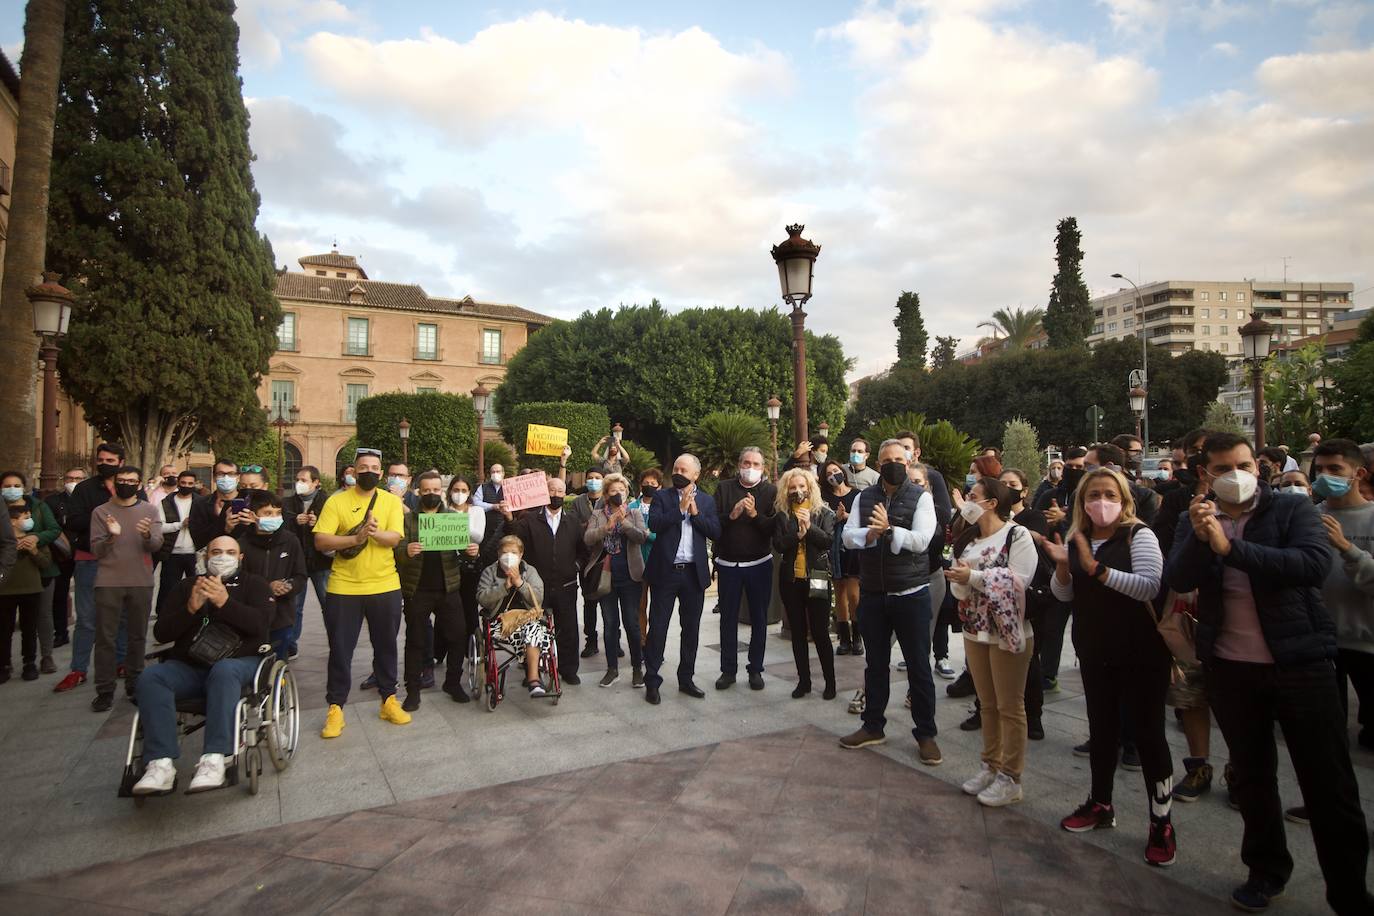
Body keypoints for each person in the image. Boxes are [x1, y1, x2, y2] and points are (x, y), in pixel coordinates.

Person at [1166, 432, 1371, 914]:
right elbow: (1177, 578)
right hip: (1233, 669)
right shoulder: (1192, 518)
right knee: (1253, 779)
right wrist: (1201, 541)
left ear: (1259, 468)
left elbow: (1310, 565)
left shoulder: (1291, 510)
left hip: (1301, 663)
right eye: (1221, 469)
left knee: (1329, 784)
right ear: (1204, 475)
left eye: (1243, 464)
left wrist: (1230, 549)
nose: (1234, 475)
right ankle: (1265, 872)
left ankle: (1348, 890)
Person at [1045, 467, 1175, 868]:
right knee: (1101, 731)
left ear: (1124, 499)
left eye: (1110, 494)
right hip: (1095, 650)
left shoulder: (1139, 535)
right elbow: (1065, 594)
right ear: (1082, 501)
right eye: (1093, 494)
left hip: (1141, 653)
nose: (1102, 502)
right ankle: (1101, 803)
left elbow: (1150, 585)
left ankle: (1161, 822)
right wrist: (1065, 568)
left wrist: (1095, 567)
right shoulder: (1078, 537)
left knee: (1149, 734)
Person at [130, 535, 274, 795]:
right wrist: (190, 608)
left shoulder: (255, 585)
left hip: (239, 664)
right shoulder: (187, 586)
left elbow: (260, 626)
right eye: (216, 551)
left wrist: (225, 603)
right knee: (151, 678)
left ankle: (215, 757)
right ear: (206, 556)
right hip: (191, 667)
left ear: (240, 557)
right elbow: (162, 633)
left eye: (230, 552)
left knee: (224, 670)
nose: (223, 557)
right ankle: (160, 763)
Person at [837, 439, 941, 766]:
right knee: (875, 665)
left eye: (899, 458)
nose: (893, 463)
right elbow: (848, 536)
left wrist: (890, 531)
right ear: (877, 463)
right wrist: (869, 535)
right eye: (887, 459)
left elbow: (923, 541)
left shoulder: (921, 497)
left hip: (910, 593)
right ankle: (872, 726)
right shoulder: (864, 497)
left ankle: (926, 733)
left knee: (919, 667)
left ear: (908, 462)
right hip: (873, 594)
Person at [948, 476, 1038, 806]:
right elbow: (960, 589)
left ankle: (1011, 776)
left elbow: (1018, 581)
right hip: (975, 629)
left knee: (1009, 705)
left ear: (992, 502)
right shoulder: (968, 540)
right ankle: (990, 765)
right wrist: (960, 579)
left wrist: (972, 576)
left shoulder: (1017, 535)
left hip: (1008, 631)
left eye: (973, 495)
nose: (967, 500)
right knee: (986, 703)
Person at [313, 447, 410, 737]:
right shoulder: (336, 501)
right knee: (341, 649)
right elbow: (321, 540)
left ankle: (388, 699)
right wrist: (355, 538)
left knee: (387, 645)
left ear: (381, 473)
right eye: (363, 467)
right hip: (344, 587)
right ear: (353, 472)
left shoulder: (391, 502)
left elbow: (394, 538)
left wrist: (373, 533)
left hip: (385, 585)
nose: (369, 471)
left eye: (374, 467)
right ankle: (335, 708)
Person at [643, 454, 721, 705]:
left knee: (691, 630)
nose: (678, 472)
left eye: (683, 469)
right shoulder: (662, 496)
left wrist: (695, 513)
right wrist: (679, 510)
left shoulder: (707, 501)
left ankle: (686, 679)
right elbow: (654, 524)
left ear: (695, 475)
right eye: (675, 468)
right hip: (665, 572)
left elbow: (715, 531)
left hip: (692, 574)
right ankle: (652, 681)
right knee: (658, 628)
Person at [89, 466, 164, 711]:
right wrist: (111, 536)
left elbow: (155, 545)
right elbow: (96, 550)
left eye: (131, 480)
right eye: (121, 480)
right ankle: (105, 689)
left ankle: (135, 682)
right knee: (105, 638)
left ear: (139, 483)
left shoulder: (150, 510)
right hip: (108, 581)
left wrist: (145, 535)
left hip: (140, 580)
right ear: (114, 483)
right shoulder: (101, 512)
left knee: (137, 635)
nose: (126, 484)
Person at [54, 444, 126, 693]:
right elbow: (73, 521)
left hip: (122, 560)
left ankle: (120, 661)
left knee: (122, 615)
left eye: (110, 459)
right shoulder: (85, 489)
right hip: (90, 558)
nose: (104, 462)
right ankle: (78, 669)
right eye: (101, 459)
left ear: (120, 461)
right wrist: (104, 517)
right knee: (87, 619)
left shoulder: (129, 485)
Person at [394, 471, 469, 710]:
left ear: (442, 492)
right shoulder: (408, 520)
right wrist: (406, 551)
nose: (431, 494)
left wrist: (470, 551)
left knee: (458, 636)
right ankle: (413, 690)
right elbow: (395, 550)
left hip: (449, 588)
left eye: (436, 490)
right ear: (418, 492)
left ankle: (453, 682)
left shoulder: (452, 518)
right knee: (415, 641)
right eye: (426, 490)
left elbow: (463, 548)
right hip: (418, 590)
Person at [508, 474, 586, 685]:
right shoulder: (530, 520)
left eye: (560, 491)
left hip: (565, 585)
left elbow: (582, 551)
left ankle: (569, 670)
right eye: (551, 490)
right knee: (533, 628)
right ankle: (531, 671)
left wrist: (575, 566)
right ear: (544, 492)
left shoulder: (572, 521)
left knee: (568, 628)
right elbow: (515, 541)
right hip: (536, 587)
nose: (556, 495)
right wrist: (509, 519)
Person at [713, 447, 777, 691]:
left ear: (763, 468)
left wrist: (753, 515)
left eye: (756, 464)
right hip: (729, 564)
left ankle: (755, 670)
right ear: (739, 464)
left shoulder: (770, 492)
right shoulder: (724, 488)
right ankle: (728, 671)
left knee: (759, 619)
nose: (750, 468)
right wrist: (732, 515)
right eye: (746, 463)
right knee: (727, 619)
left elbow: (773, 528)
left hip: (759, 564)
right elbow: (713, 524)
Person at [773, 468, 837, 699]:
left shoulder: (824, 512)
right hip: (791, 581)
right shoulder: (782, 515)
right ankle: (804, 681)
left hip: (817, 577)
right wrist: (797, 534)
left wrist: (809, 527)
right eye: (792, 487)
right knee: (797, 632)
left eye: (802, 487)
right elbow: (779, 544)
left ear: (810, 488)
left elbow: (828, 541)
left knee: (820, 631)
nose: (798, 491)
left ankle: (830, 683)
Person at [584, 473, 649, 688]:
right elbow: (587, 538)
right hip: (606, 576)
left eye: (621, 491)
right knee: (610, 624)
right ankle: (612, 669)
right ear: (606, 494)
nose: (618, 494)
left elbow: (641, 537)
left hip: (630, 576)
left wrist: (624, 523)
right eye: (613, 491)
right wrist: (607, 526)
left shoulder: (634, 511)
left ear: (627, 493)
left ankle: (638, 669)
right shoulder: (597, 514)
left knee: (632, 622)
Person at [3, 471, 61, 674]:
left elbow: (53, 529)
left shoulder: (37, 506)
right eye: (7, 485)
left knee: (40, 618)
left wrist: (34, 538)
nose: (12, 489)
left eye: (16, 485)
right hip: (7, 579)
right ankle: (5, 663)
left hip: (38, 574)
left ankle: (44, 658)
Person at [237, 490, 305, 661]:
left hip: (282, 617)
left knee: (277, 662)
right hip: (250, 618)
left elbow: (300, 576)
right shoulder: (241, 544)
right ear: (253, 515)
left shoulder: (291, 541)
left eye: (277, 513)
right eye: (267, 513)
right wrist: (267, 587)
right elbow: (238, 581)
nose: (274, 517)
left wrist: (289, 586)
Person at [477, 535, 548, 696]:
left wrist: (520, 584)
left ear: (521, 555)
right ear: (498, 554)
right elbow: (482, 598)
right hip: (500, 623)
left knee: (533, 629)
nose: (509, 556)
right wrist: (504, 587)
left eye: (514, 552)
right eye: (505, 552)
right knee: (531, 631)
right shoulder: (490, 572)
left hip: (526, 619)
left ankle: (533, 679)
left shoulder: (530, 571)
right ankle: (533, 678)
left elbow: (539, 598)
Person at [437, 475, 486, 696]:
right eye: (456, 489)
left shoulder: (476, 511)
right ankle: (439, 651)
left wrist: (452, 527)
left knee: (469, 609)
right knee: (444, 612)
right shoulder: (443, 510)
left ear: (469, 492)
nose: (459, 492)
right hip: (446, 567)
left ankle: (470, 650)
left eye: (464, 489)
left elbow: (478, 536)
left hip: (469, 568)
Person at [283, 465, 332, 659]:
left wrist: (317, 522)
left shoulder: (327, 502)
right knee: (294, 605)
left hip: (320, 562)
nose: (299, 483)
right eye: (298, 479)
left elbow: (334, 526)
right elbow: (281, 525)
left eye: (304, 480)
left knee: (329, 604)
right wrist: (295, 521)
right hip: (297, 563)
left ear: (316, 482)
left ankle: (336, 641)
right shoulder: (288, 503)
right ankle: (291, 644)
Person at [1, 502, 52, 682]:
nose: (29, 521)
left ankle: (29, 663)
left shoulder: (34, 538)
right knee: (4, 630)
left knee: (29, 629)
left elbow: (46, 563)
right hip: (5, 591)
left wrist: (34, 550)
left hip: (31, 590)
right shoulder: (4, 542)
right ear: (12, 521)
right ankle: (4, 665)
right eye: (25, 517)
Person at [822, 459, 862, 657]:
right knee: (840, 595)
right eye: (829, 473)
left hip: (853, 548)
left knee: (854, 595)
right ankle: (844, 638)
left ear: (843, 472)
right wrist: (835, 518)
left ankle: (858, 637)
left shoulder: (857, 495)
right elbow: (823, 520)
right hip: (835, 549)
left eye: (836, 471)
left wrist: (846, 517)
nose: (833, 475)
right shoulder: (825, 497)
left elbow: (864, 519)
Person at [45, 467, 86, 648]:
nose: (73, 482)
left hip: (85, 552)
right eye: (70, 478)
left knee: (87, 595)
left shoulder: (90, 501)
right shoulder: (53, 501)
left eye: (78, 478)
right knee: (59, 594)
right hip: (61, 554)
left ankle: (88, 631)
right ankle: (60, 632)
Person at [154, 470, 202, 614]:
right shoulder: (166, 503)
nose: (186, 486)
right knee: (168, 587)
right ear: (178, 483)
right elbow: (159, 527)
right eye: (183, 483)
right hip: (172, 552)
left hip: (195, 552)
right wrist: (180, 524)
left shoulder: (201, 502)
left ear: (195, 485)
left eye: (190, 483)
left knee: (197, 587)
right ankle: (164, 615)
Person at [568, 466, 604, 658]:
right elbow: (574, 526)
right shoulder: (578, 502)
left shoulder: (608, 499)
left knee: (608, 601)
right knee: (589, 601)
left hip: (605, 557)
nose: (593, 480)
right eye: (590, 477)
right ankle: (591, 640)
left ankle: (615, 638)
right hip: (586, 558)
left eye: (597, 477)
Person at [630, 468, 661, 644]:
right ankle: (642, 640)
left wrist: (649, 535)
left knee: (657, 607)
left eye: (653, 484)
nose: (649, 486)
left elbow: (666, 535)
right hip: (637, 563)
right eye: (646, 483)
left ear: (659, 486)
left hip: (657, 563)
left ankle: (655, 643)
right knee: (639, 606)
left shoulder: (663, 507)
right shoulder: (632, 507)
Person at [188, 458, 243, 549]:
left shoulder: (248, 502)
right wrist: (222, 523)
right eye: (221, 474)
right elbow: (198, 539)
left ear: (238, 478)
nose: (226, 478)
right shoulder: (200, 504)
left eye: (231, 474)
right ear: (214, 478)